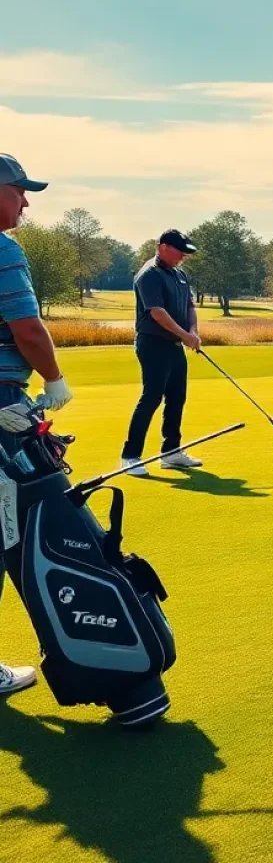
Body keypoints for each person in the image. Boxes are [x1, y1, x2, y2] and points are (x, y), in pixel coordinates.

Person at [0, 153, 74, 696]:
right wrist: (53, 381)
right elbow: (26, 328)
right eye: (19, 190)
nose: (25, 201)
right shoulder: (2, 251)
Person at [120, 229, 203, 476]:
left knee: (177, 396)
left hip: (174, 345)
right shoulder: (149, 275)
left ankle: (171, 452)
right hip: (153, 343)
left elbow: (189, 306)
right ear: (163, 247)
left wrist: (193, 331)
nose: (183, 257)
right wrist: (185, 335)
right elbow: (157, 313)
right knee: (152, 397)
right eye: (180, 252)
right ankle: (130, 456)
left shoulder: (179, 274)